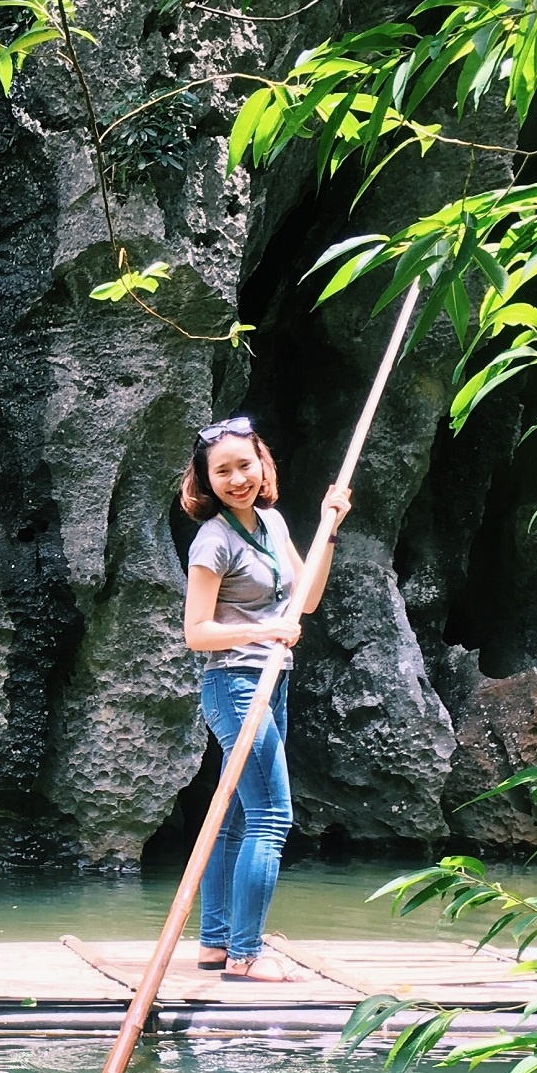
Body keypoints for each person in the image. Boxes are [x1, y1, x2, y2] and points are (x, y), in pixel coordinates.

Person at [179, 418, 353, 980]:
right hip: (233, 684)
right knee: (271, 816)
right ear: (206, 480)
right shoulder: (213, 539)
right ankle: (245, 955)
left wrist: (329, 527)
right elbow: (196, 632)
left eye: (244, 466)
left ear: (262, 464)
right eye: (221, 471)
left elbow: (305, 600)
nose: (236, 479)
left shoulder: (272, 523)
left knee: (232, 817)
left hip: (270, 679)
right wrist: (263, 632)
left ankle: (214, 943)